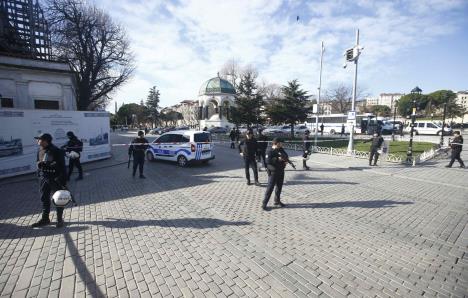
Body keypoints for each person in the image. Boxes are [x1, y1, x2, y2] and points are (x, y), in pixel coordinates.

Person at [31, 133, 67, 228]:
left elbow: (63, 167)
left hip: (54, 178)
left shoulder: (56, 150)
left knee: (58, 199)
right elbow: (37, 162)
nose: (37, 141)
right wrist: (39, 171)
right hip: (43, 178)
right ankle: (45, 219)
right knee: (44, 198)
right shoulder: (39, 150)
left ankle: (59, 220)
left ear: (46, 140)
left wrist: (63, 180)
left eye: (39, 139)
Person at [262, 138, 287, 210]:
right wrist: (277, 159)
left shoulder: (280, 149)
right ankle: (264, 203)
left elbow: (285, 155)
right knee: (270, 188)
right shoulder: (269, 150)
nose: (282, 144)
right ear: (277, 143)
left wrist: (285, 159)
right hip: (273, 172)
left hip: (281, 171)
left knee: (279, 187)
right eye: (281, 143)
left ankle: (277, 200)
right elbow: (267, 161)